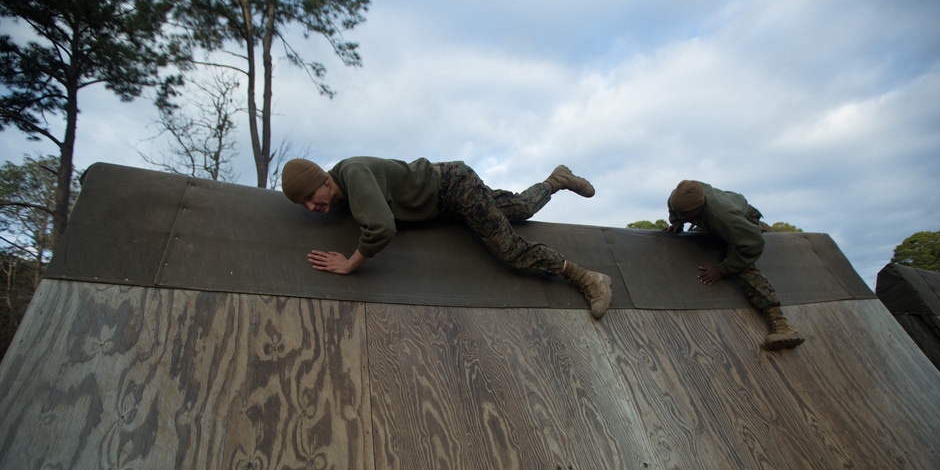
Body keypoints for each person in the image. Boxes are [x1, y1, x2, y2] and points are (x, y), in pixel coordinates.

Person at [281, 157, 613, 319]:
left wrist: (350, 263)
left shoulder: (352, 175)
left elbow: (382, 227)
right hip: (447, 194)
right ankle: (557, 179)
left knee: (509, 248)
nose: (311, 207)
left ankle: (588, 278)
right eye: (303, 205)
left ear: (324, 179)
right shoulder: (343, 187)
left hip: (453, 188)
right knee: (521, 207)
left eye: (311, 196)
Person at [666, 179, 805, 350]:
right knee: (696, 239)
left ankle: (781, 324)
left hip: (745, 217)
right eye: (679, 212)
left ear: (699, 208)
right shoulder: (679, 197)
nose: (682, 217)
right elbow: (674, 207)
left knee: (741, 265)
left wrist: (723, 268)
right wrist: (677, 222)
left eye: (685, 214)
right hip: (715, 218)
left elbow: (753, 245)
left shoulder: (724, 217)